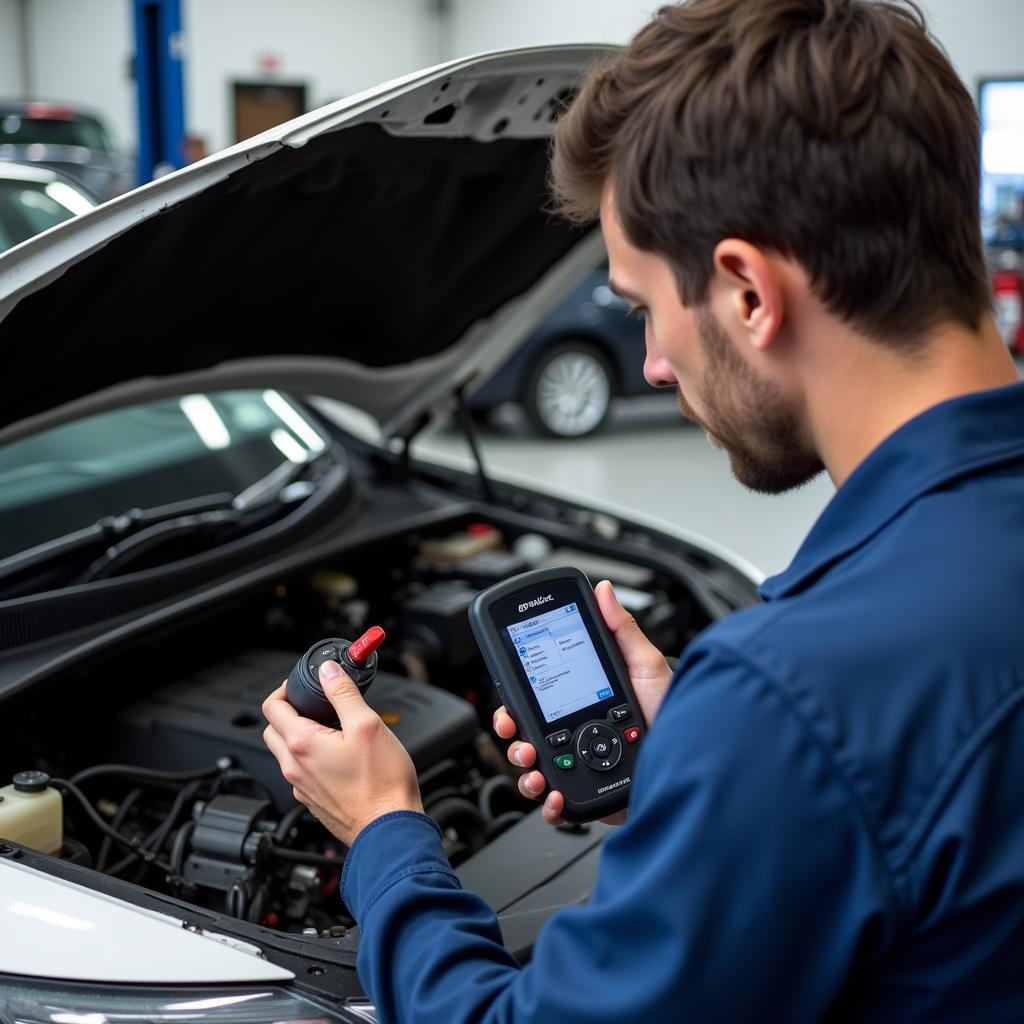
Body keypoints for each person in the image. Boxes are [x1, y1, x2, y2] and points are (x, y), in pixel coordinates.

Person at [262, 0, 1024, 1018]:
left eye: (643, 309)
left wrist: (386, 830)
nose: (656, 365)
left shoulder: (797, 701)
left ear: (748, 292)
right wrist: (708, 774)